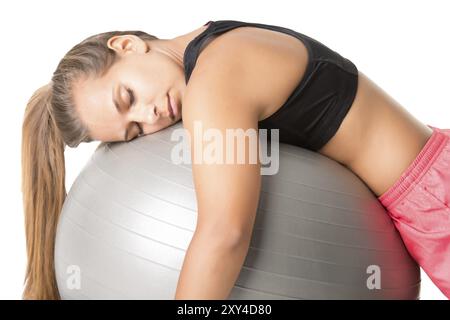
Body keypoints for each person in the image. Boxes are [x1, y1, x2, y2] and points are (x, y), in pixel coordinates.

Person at [21, 19, 450, 300]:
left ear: (128, 45)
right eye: (133, 132)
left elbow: (225, 231)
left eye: (127, 96)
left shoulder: (213, 83)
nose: (148, 117)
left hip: (437, 202)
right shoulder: (216, 45)